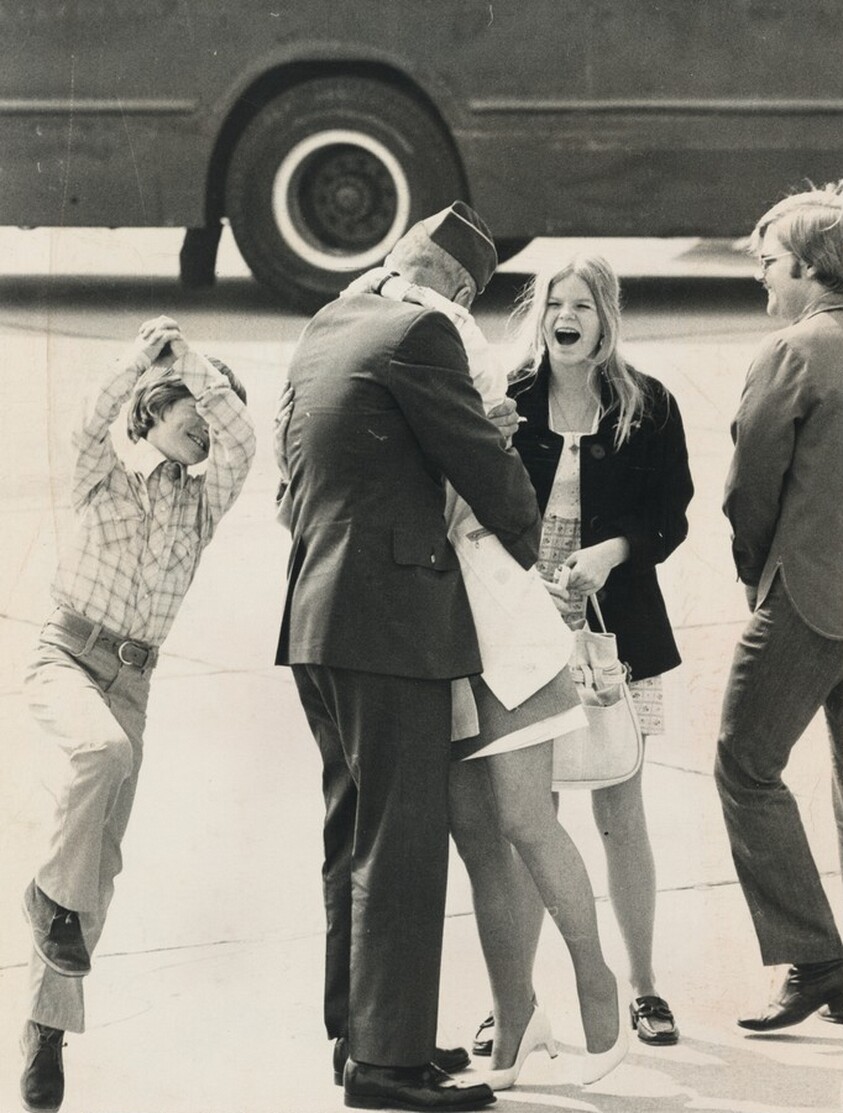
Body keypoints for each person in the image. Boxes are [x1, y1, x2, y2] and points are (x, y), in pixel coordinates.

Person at [274, 202, 542, 1112]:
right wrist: (525, 529)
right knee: (402, 840)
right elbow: (482, 471)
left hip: (317, 614)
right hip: (390, 620)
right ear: (459, 289)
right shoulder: (423, 332)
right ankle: (385, 1069)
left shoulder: (326, 325)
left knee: (352, 832)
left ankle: (361, 1037)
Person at [453, 252, 693, 1071]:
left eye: (582, 305)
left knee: (619, 811)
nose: (566, 316)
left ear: (606, 319)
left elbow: (672, 516)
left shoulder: (646, 405)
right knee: (528, 823)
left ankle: (645, 984)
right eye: (554, 302)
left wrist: (612, 553)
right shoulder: (510, 397)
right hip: (521, 639)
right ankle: (509, 1004)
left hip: (614, 634)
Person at [19, 316, 256, 1113]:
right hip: (65, 654)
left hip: (134, 684)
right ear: (154, 411)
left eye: (210, 427)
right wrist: (146, 357)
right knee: (102, 753)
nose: (206, 435)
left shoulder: (202, 506)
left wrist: (193, 363)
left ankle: (43, 1030)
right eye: (191, 418)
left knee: (102, 870)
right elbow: (93, 419)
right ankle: (46, 896)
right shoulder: (102, 477)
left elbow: (244, 440)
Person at [715, 181, 843, 1031]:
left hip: (808, 593)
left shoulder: (796, 350)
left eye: (767, 262)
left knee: (744, 762)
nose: (762, 279)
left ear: (805, 266)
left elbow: (747, 484)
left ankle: (814, 955)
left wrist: (751, 569)